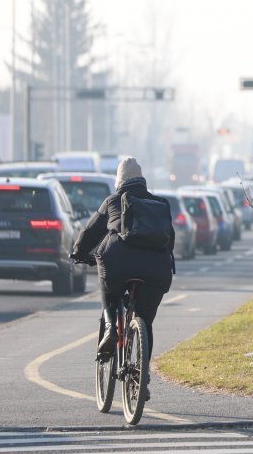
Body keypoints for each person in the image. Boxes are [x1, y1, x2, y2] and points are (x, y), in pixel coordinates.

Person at [71, 157, 174, 399]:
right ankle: (142, 375)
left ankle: (110, 327)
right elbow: (170, 238)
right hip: (156, 269)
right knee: (145, 321)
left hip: (119, 261)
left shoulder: (112, 201)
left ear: (119, 181)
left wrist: (78, 252)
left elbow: (90, 232)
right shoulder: (159, 203)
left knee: (108, 285)